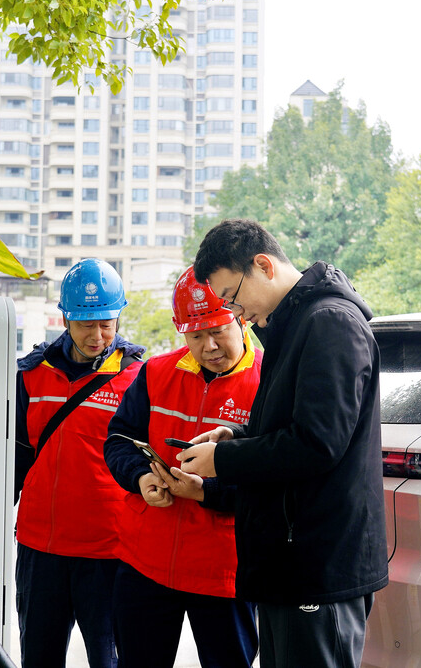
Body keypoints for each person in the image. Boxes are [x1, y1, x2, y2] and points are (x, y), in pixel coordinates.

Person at [180, 218, 388, 668]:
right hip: (289, 562)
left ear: (262, 265)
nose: (234, 313)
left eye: (233, 296)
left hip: (316, 563)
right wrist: (234, 436)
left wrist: (225, 459)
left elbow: (317, 443)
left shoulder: (329, 322)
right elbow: (292, 426)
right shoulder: (295, 324)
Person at [103, 266, 261, 668]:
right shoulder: (156, 373)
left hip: (226, 573)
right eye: (195, 335)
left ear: (239, 319)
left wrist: (206, 492)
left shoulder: (269, 381)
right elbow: (118, 441)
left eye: (217, 331)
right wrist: (140, 478)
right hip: (145, 563)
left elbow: (274, 477)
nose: (208, 346)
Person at [14, 258, 145, 668]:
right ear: (65, 318)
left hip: (108, 550)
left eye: (107, 323)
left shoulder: (137, 377)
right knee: (39, 656)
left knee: (108, 659)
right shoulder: (31, 375)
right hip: (41, 548)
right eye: (86, 323)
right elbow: (16, 457)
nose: (97, 334)